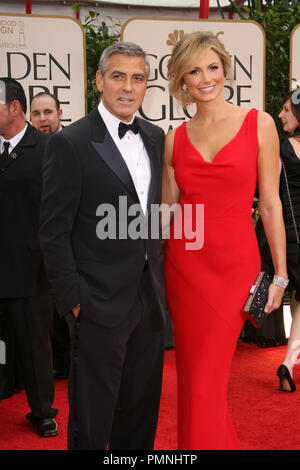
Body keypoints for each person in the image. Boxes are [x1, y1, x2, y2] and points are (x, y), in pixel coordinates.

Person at [162, 32, 288, 450]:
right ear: (182, 80)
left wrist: (281, 276)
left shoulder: (259, 124)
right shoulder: (174, 139)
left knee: (206, 383)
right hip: (186, 271)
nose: (206, 77)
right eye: (194, 70)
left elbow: (270, 205)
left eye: (212, 67)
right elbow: (167, 217)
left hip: (236, 270)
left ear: (225, 70)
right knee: (197, 383)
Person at [40, 42, 166, 450]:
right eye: (118, 76)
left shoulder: (156, 137)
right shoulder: (70, 143)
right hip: (96, 303)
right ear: (98, 80)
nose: (128, 87)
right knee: (93, 418)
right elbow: (53, 232)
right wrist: (74, 303)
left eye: (138, 78)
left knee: (141, 411)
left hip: (149, 300)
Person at [0, 78, 58, 437]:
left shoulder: (50, 148)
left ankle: (43, 412)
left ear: (14, 108)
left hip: (32, 268)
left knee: (36, 345)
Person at [31, 92, 70, 380]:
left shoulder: (73, 146)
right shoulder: (25, 150)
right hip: (33, 246)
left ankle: (69, 364)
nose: (43, 119)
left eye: (48, 112)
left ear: (59, 112)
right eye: (37, 114)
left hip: (69, 245)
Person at [275, 90, 300, 391]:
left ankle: (288, 363)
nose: (281, 115)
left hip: (289, 234)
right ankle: (288, 360)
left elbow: (270, 195)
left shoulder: (282, 150)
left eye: (286, 110)